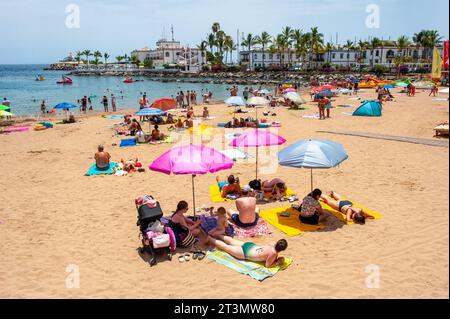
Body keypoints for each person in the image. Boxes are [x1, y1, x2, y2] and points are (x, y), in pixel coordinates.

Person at [207, 235, 287, 268]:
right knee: (226, 247)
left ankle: (218, 235)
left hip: (250, 246)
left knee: (232, 241)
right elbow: (267, 265)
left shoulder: (272, 243)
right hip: (245, 253)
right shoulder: (273, 253)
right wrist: (278, 262)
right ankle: (210, 239)